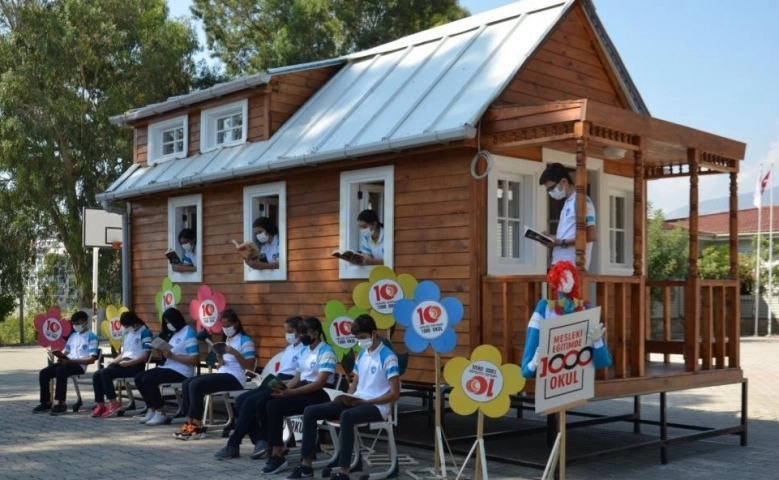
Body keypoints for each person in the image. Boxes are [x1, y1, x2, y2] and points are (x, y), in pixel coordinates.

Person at [287, 314, 400, 480]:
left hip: (377, 406)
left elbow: (394, 394)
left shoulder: (388, 357)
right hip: (358, 401)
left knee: (346, 416)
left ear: (374, 333)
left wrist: (368, 401)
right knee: (310, 411)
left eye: (363, 337)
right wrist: (347, 395)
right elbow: (355, 383)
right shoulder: (362, 354)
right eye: (358, 338)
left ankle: (344, 471)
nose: (360, 341)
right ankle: (306, 465)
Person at [214, 315, 303, 460]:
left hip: (287, 383)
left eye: (291, 331)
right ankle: (259, 440)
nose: (288, 335)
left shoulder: (304, 350)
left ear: (300, 331)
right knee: (241, 400)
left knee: (250, 402)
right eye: (286, 331)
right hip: (276, 380)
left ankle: (234, 444)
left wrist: (283, 386)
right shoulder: (289, 348)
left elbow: (298, 377)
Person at [260, 316, 337, 475]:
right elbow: (297, 378)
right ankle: (272, 446)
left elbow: (319, 383)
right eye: (300, 333)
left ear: (315, 333)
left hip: (319, 393)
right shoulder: (304, 350)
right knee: (264, 400)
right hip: (303, 388)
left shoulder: (326, 351)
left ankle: (277, 454)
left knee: (274, 407)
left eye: (304, 333)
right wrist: (281, 389)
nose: (301, 336)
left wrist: (291, 393)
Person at [173, 308, 256, 440]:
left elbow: (249, 366)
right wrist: (220, 360)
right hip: (224, 372)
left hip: (236, 377)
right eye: (223, 326)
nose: (225, 329)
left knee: (196, 385)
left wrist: (235, 353)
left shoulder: (245, 340)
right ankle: (189, 422)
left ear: (236, 324)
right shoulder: (227, 339)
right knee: (187, 382)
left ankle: (198, 425)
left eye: (228, 326)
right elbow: (223, 365)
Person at [520, 261, 611, 379]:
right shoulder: (545, 309)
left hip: (577, 382)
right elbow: (525, 370)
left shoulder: (585, 308)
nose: (566, 281)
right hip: (551, 382)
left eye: (570, 277)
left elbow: (604, 362)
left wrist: (597, 341)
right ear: (555, 281)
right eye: (562, 277)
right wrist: (534, 363)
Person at [134, 308, 199, 426]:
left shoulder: (188, 333)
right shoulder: (172, 334)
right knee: (139, 377)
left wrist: (173, 356)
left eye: (170, 322)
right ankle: (151, 408)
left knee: (148, 379)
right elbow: (169, 353)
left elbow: (194, 359)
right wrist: (162, 353)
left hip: (182, 371)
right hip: (168, 366)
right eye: (166, 322)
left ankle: (161, 412)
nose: (169, 325)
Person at [34, 311, 99, 415]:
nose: (75, 326)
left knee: (60, 371)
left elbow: (92, 359)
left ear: (85, 322)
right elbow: (67, 352)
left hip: (79, 365)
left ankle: (61, 403)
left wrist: (71, 361)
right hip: (68, 362)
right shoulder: (73, 336)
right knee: (44, 373)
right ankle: (45, 402)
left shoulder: (92, 337)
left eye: (78, 323)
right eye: (74, 323)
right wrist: (61, 357)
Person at [91, 311, 152, 418]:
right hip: (125, 362)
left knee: (105, 373)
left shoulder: (145, 332)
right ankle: (100, 404)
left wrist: (128, 363)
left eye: (127, 326)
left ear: (135, 323)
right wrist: (114, 362)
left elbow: (145, 356)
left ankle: (114, 403)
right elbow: (124, 353)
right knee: (97, 374)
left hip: (135, 365)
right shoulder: (128, 334)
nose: (126, 328)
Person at [539, 162, 597, 270]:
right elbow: (568, 236)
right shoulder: (568, 202)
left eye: (551, 188)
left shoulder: (582, 201)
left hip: (574, 266)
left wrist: (561, 242)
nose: (550, 193)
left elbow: (591, 235)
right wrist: (552, 239)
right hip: (560, 265)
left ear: (564, 182)